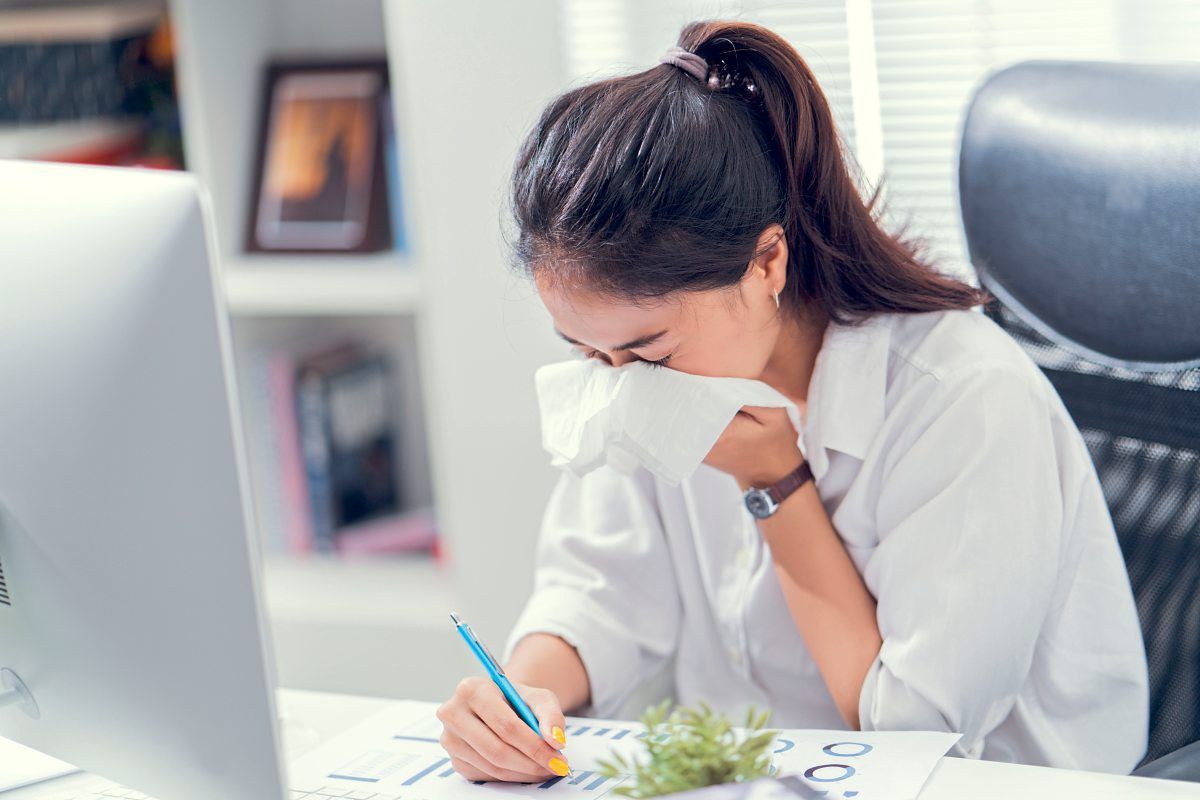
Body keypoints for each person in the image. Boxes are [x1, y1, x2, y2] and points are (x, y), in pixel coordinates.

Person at [434, 19, 1149, 782]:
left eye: (647, 352)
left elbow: (913, 733)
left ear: (766, 262)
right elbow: (597, 589)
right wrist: (526, 696)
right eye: (586, 352)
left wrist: (774, 481)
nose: (620, 381)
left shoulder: (967, 403)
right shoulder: (642, 371)